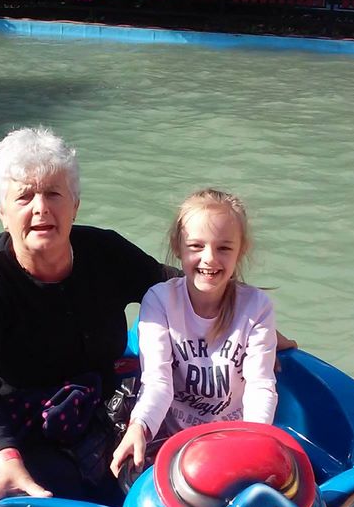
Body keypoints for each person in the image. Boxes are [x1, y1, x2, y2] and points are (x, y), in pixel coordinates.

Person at [0, 129, 294, 507]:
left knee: (148, 497)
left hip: (97, 407)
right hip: (19, 424)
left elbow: (177, 285)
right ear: (1, 210)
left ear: (75, 204)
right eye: (24, 197)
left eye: (54, 193)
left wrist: (245, 321)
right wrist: (5, 460)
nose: (41, 208)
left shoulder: (103, 252)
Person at [110, 188, 278, 480]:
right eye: (196, 246)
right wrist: (139, 426)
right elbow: (158, 383)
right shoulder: (159, 301)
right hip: (173, 441)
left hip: (234, 441)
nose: (209, 259)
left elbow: (260, 386)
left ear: (241, 251)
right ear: (178, 247)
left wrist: (254, 441)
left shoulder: (257, 307)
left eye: (224, 248)